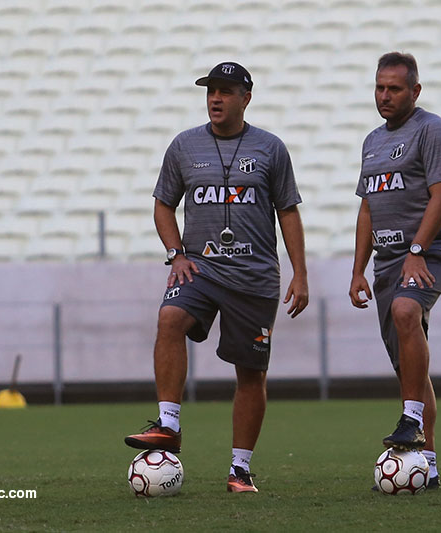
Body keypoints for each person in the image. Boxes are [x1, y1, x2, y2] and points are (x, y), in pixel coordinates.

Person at [125, 62, 309, 493]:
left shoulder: (271, 149)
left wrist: (300, 273)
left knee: (250, 374)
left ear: (246, 97)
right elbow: (162, 204)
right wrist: (175, 255)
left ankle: (239, 470)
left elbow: (288, 212)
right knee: (169, 318)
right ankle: (169, 424)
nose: (215, 99)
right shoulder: (184, 146)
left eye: (225, 91)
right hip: (201, 268)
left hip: (254, 277)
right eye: (210, 91)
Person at [348, 52, 441, 490]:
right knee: (408, 369)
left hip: (432, 252)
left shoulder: (430, 130)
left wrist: (418, 249)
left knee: (405, 311)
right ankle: (427, 464)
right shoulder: (372, 141)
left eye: (394, 88)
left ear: (415, 91)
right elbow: (367, 208)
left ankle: (410, 418)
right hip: (387, 261)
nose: (385, 96)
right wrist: (358, 269)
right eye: (379, 87)